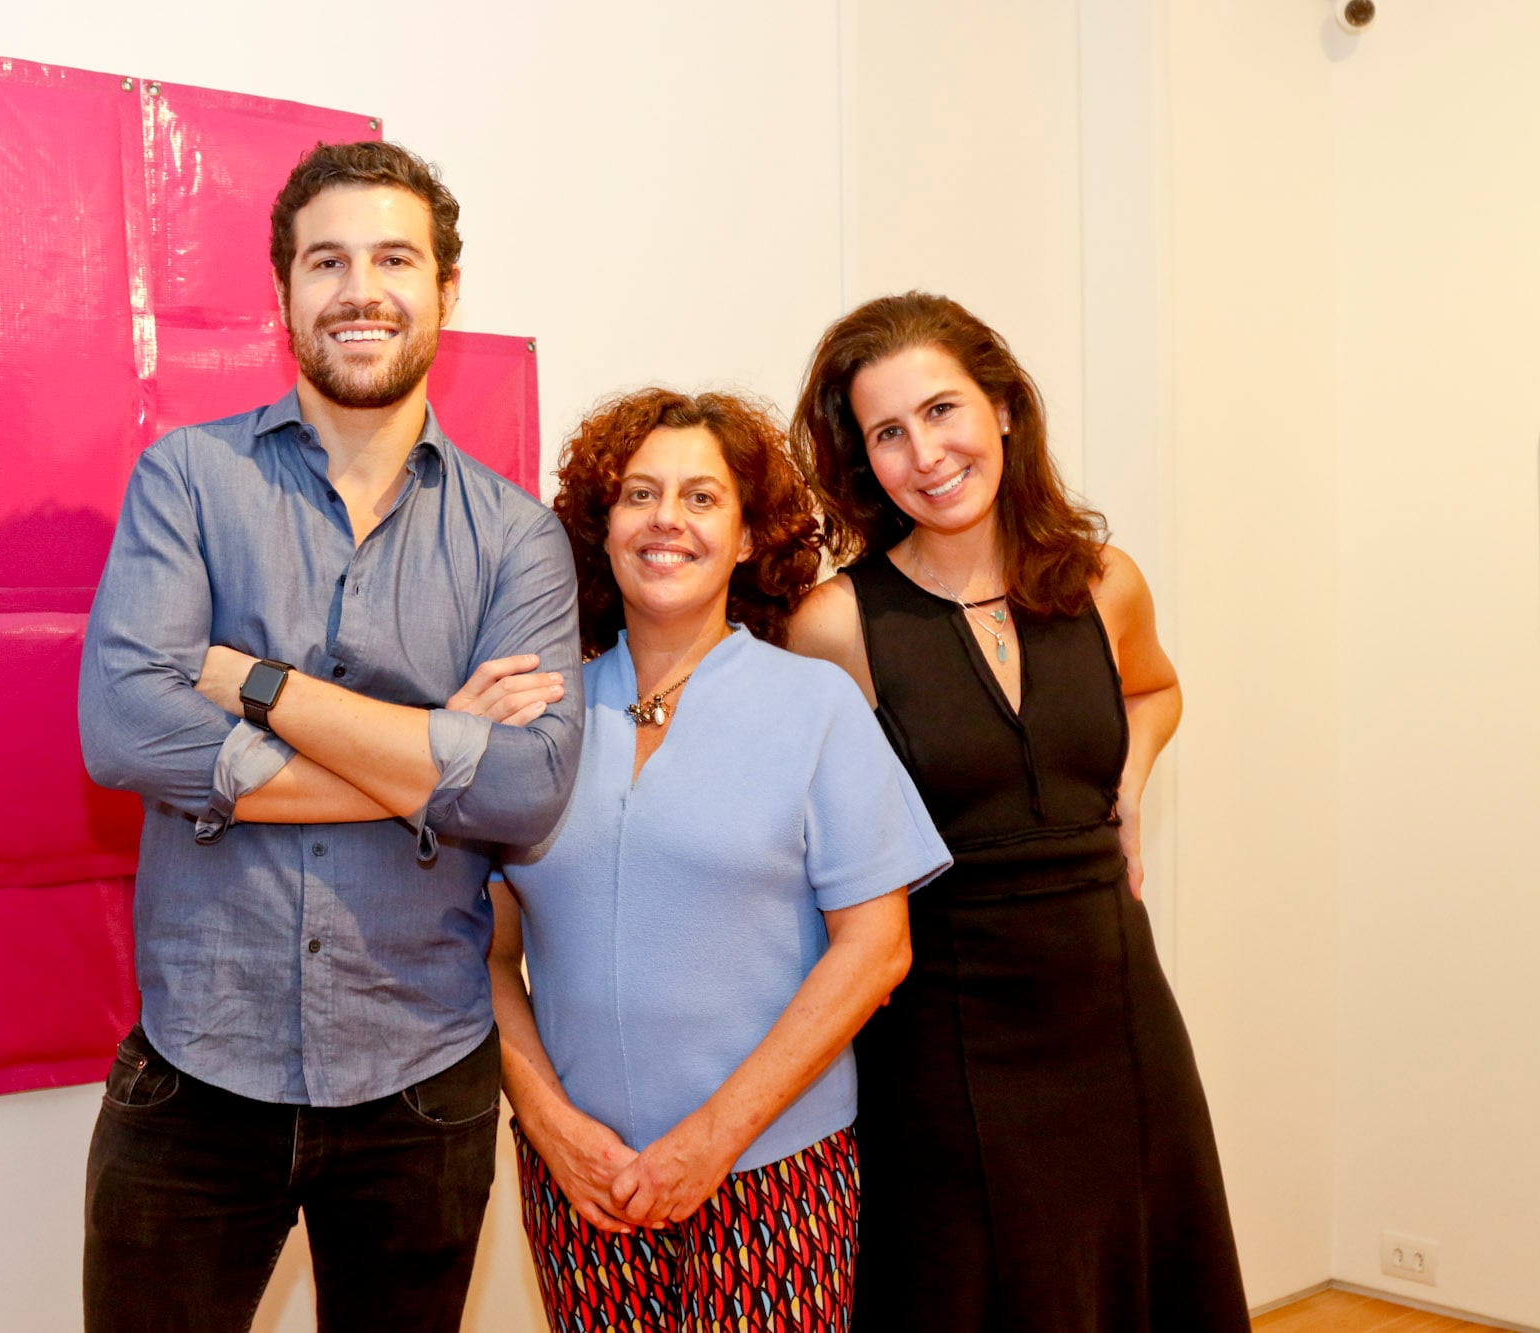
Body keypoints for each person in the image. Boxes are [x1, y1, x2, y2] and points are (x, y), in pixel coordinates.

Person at [77, 141, 584, 1333]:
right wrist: (435, 754)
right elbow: (123, 730)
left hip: (422, 1083)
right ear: (285, 293)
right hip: (197, 1069)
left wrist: (252, 682)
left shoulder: (517, 540)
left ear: (445, 292)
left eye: (393, 259)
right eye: (327, 262)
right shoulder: (187, 482)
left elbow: (525, 793)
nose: (361, 290)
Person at [786, 291, 1249, 1331]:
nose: (925, 454)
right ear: (863, 459)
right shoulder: (835, 624)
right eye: (887, 433)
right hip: (942, 1036)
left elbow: (1154, 688)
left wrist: (1128, 785)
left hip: (1117, 1012)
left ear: (1000, 407)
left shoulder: (1104, 583)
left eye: (941, 410)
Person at [490, 388, 950, 1332]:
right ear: (602, 527)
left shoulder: (815, 705)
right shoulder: (538, 715)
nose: (667, 518)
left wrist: (711, 1138)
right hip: (584, 1182)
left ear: (746, 537)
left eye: (702, 498)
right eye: (639, 494)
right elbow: (481, 952)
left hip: (773, 1174)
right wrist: (547, 1124)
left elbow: (878, 948)